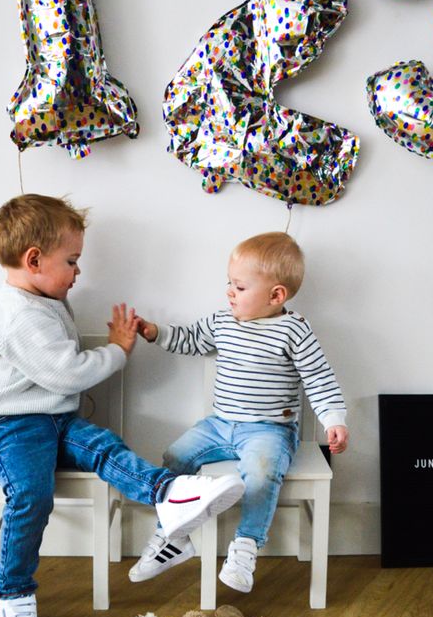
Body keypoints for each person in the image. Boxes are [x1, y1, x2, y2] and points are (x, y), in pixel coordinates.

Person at [0, 194, 243, 617]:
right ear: (34, 261)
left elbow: (59, 383)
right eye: (71, 261)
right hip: (7, 426)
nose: (77, 272)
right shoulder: (16, 314)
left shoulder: (43, 299)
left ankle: (170, 493)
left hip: (53, 418)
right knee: (32, 493)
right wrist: (117, 350)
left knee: (104, 447)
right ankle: (13, 596)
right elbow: (67, 373)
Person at [130, 231, 348, 593]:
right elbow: (190, 339)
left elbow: (319, 378)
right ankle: (173, 537)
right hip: (219, 426)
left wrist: (334, 419)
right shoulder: (223, 321)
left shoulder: (294, 330)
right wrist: (155, 332)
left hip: (269, 430)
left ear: (276, 295)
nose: (230, 292)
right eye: (229, 284)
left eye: (240, 287)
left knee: (261, 475)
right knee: (173, 457)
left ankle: (245, 548)